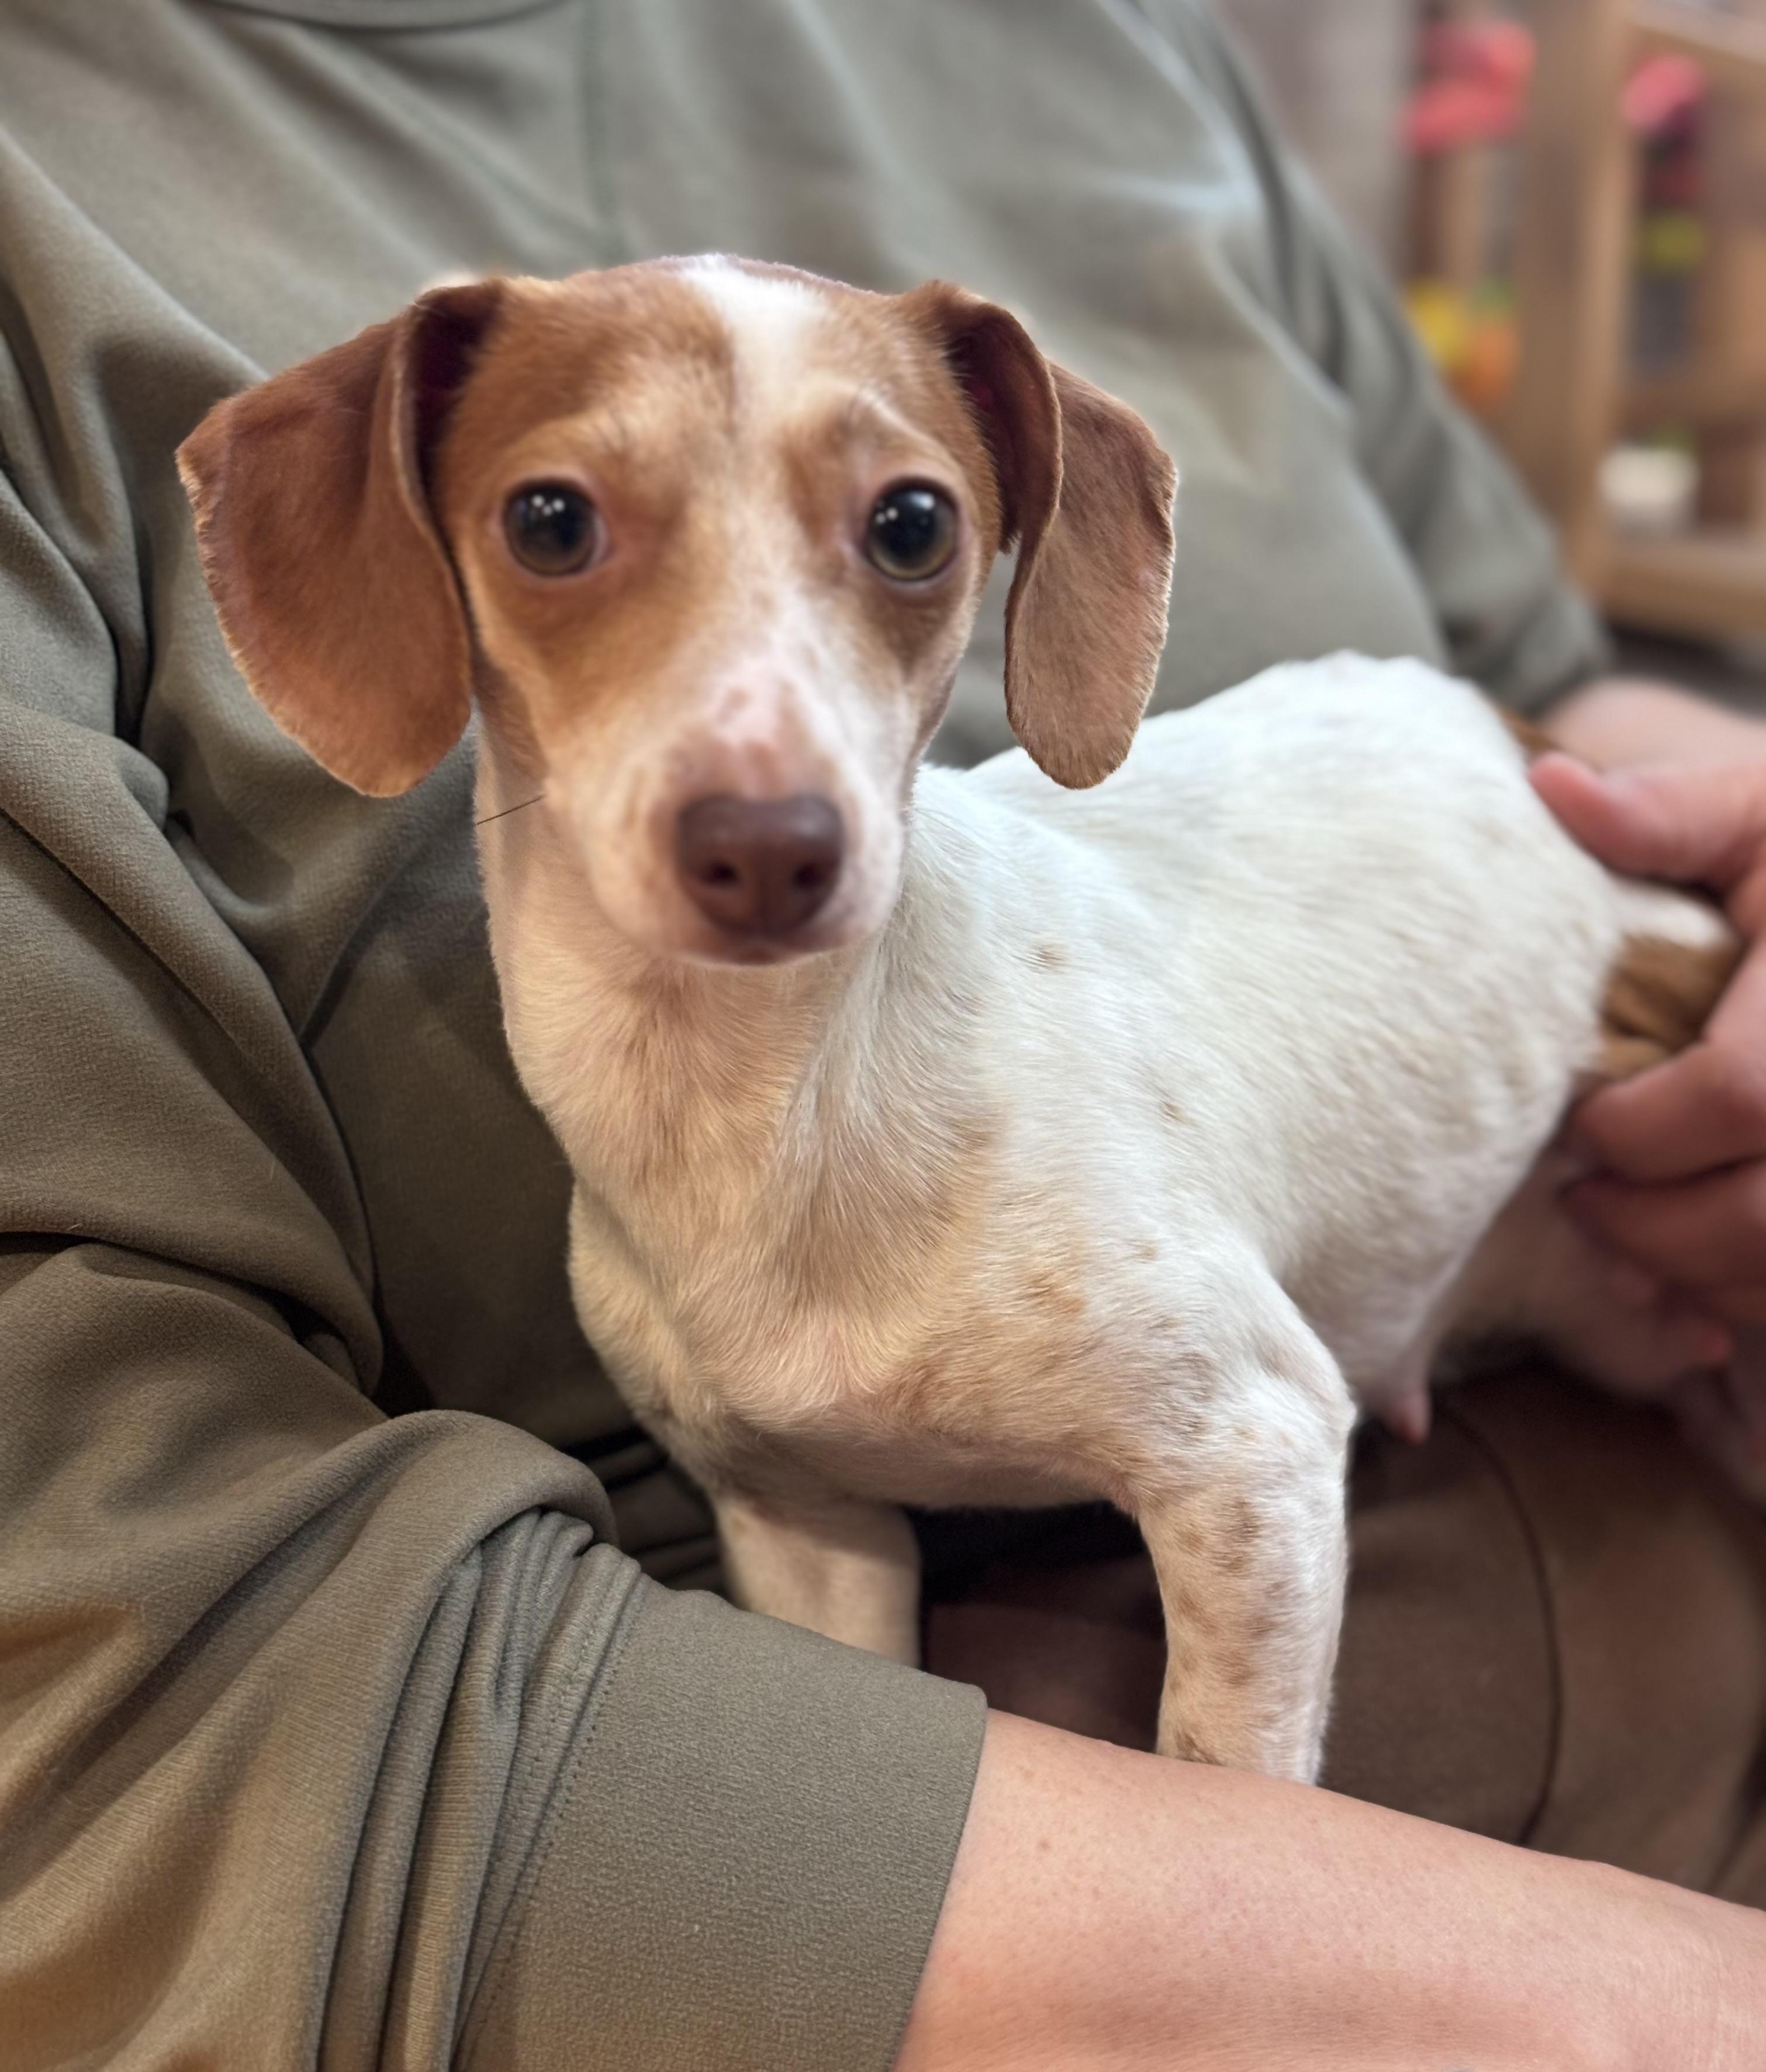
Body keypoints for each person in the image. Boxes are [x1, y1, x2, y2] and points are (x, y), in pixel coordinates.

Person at [1, 1, 1762, 2065]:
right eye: (563, 525)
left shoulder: (1126, 37)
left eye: (905, 531)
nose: (769, 769)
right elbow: (123, 1688)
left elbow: (1558, 687)